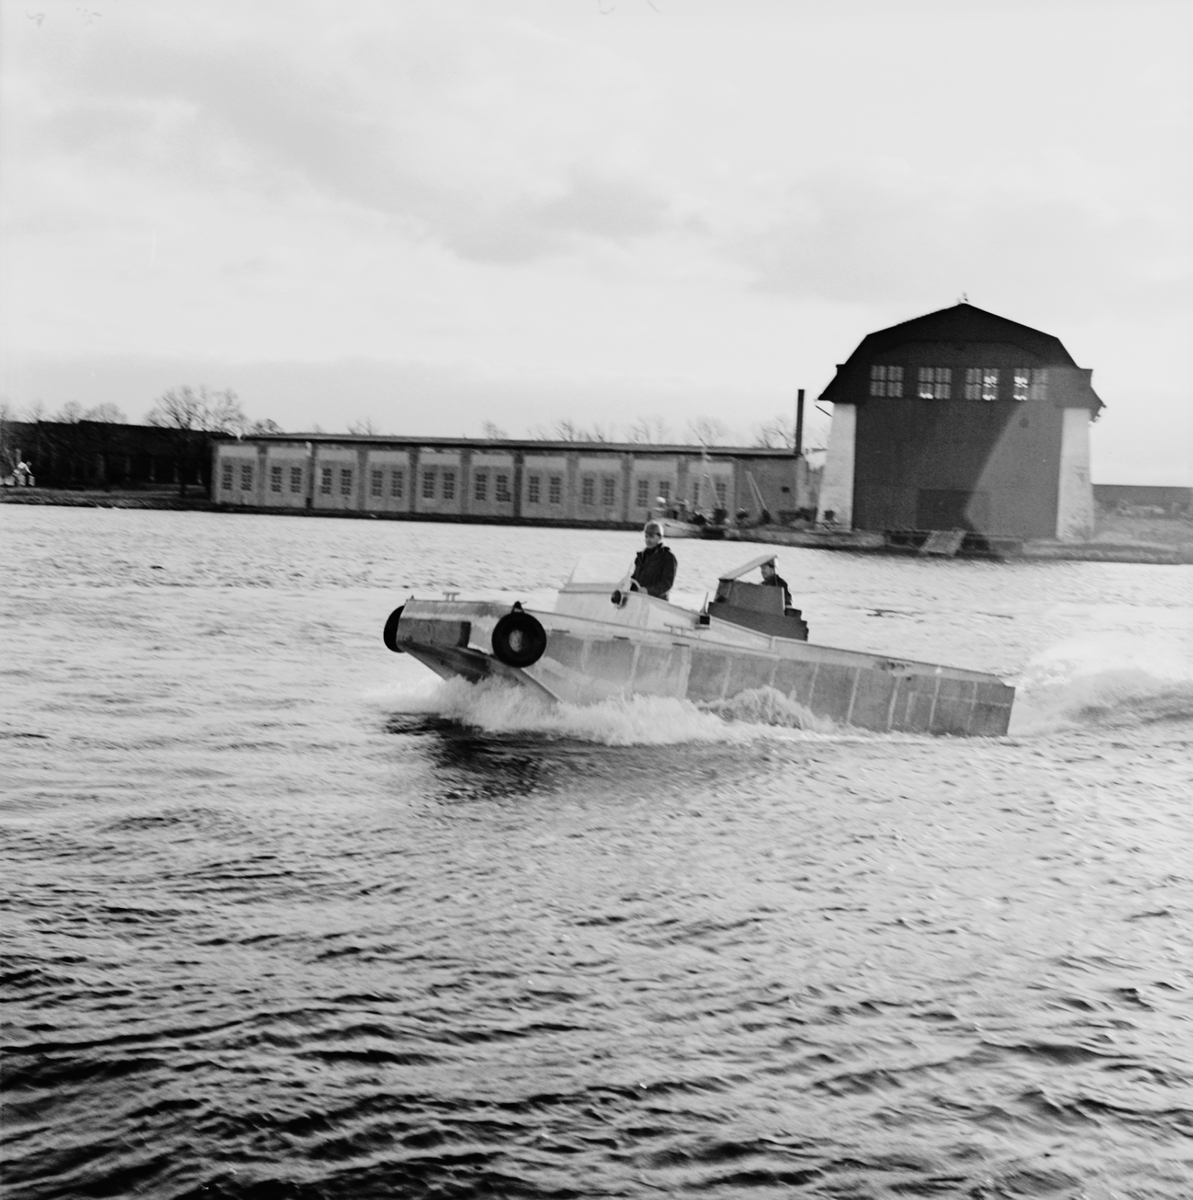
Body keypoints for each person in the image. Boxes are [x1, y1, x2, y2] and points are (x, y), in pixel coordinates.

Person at [630, 520, 677, 600]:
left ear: (660, 537)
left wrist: (648, 590)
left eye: (651, 536)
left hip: (657, 601)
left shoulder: (668, 557)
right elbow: (635, 578)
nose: (648, 540)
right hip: (639, 599)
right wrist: (627, 583)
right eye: (646, 536)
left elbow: (667, 584)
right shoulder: (641, 556)